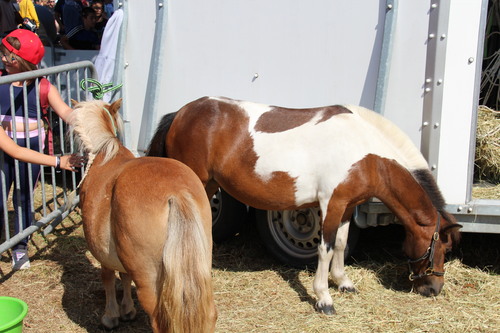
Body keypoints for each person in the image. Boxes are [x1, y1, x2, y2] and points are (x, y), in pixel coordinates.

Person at [0, 29, 82, 270]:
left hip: (31, 149)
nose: (3, 59)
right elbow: (13, 150)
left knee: (24, 198)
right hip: (5, 150)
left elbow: (65, 112)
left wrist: (87, 118)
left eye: (7, 55)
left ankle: (20, 246)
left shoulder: (43, 86)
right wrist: (58, 161)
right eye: (3, 53)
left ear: (20, 61)